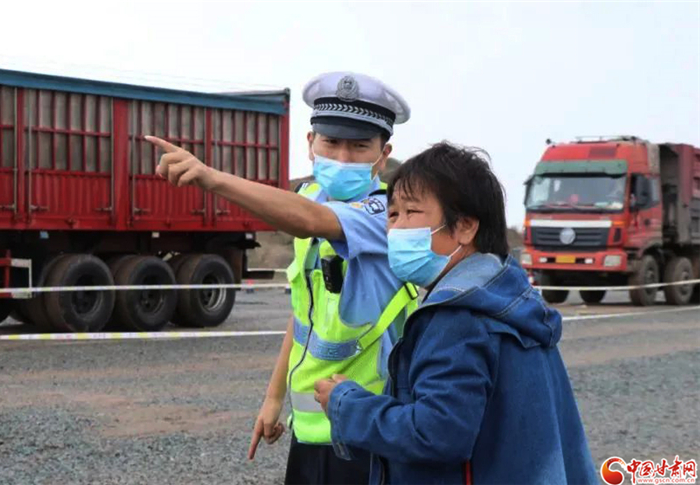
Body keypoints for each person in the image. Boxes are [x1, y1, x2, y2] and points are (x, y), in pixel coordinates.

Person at [146, 72, 419, 484]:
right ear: (310, 144)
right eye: (331, 142)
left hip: (368, 432)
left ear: (383, 156)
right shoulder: (310, 198)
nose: (342, 157)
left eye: (360, 146)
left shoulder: (384, 215)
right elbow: (303, 316)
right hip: (311, 430)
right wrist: (273, 398)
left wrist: (211, 178)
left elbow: (310, 220)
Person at [313, 142, 597, 485]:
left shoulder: (457, 317)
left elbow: (436, 435)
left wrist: (347, 405)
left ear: (464, 227)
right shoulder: (508, 299)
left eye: (412, 212)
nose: (397, 229)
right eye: (393, 215)